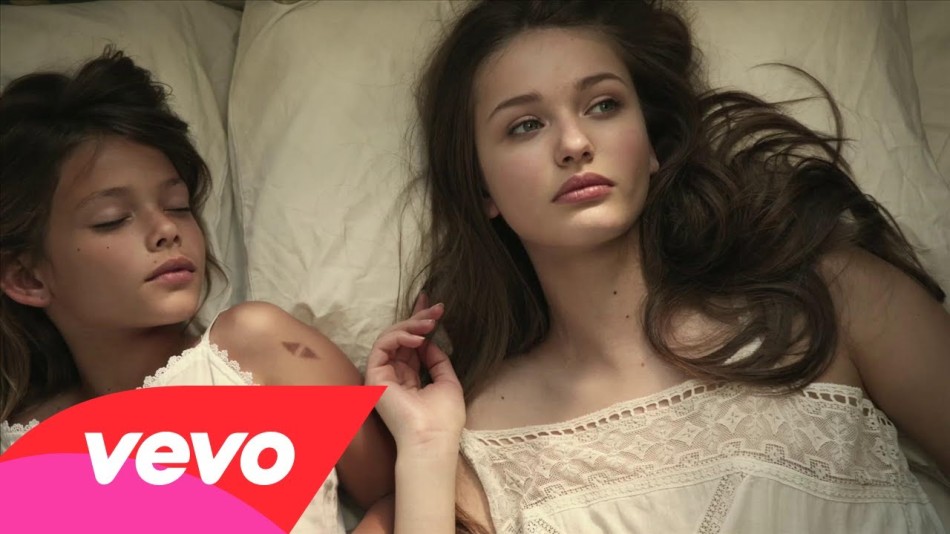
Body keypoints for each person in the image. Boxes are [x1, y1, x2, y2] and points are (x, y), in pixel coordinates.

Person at [365, 1, 950, 533]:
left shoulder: (829, 293)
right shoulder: (472, 441)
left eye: (604, 105)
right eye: (526, 125)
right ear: (481, 187)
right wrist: (425, 446)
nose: (574, 143)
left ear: (650, 144)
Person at [0, 48, 395, 534]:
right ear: (28, 278)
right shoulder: (22, 452)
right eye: (112, 219)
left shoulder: (257, 349)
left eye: (178, 206)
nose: (166, 228)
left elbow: (405, 496)